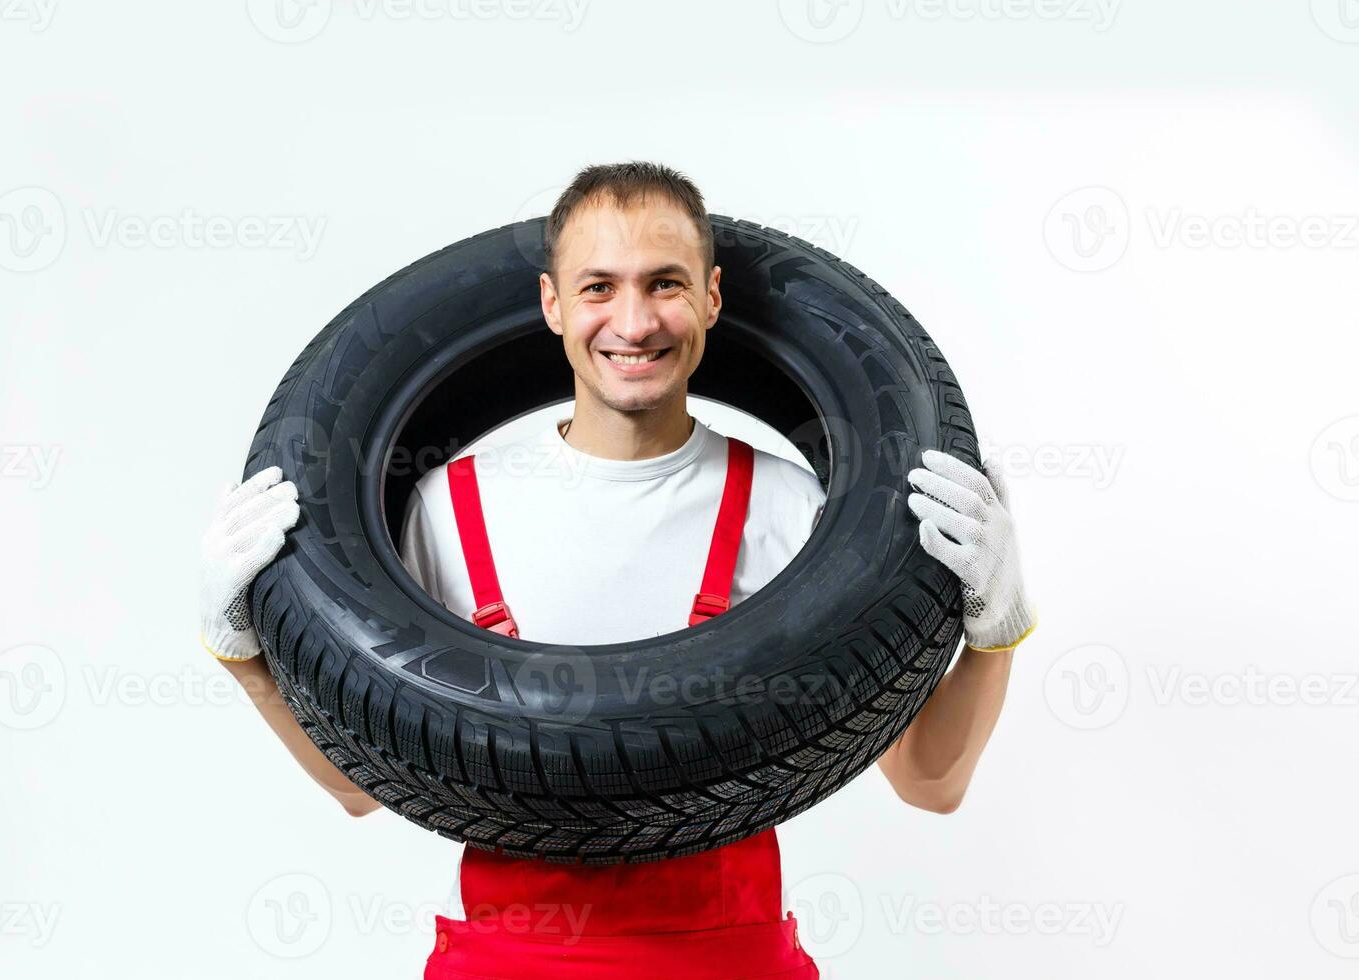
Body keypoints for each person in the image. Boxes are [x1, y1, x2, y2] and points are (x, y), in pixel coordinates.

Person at [199, 162, 1036, 978]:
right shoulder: (449, 511)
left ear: (711, 297)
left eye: (664, 284)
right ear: (552, 305)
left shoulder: (792, 510)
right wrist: (250, 659)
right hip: (510, 963)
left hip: (729, 964)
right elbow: (365, 787)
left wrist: (994, 631)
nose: (633, 323)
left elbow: (928, 781)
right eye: (599, 287)